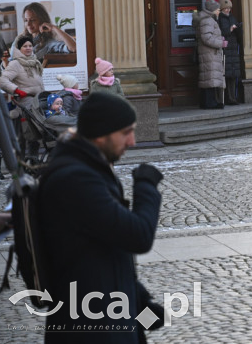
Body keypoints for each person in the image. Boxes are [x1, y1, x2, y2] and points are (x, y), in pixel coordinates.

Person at [38, 92, 164, 340]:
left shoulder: (87, 169)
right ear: (100, 134)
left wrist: (141, 306)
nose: (132, 142)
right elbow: (137, 236)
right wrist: (146, 186)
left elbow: (106, 251)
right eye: (126, 132)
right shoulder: (75, 179)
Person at [0, 35, 45, 157]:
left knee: (35, 135)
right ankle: (20, 166)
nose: (28, 48)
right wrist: (17, 90)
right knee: (21, 138)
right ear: (19, 49)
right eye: (25, 46)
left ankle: (33, 160)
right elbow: (2, 81)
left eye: (30, 46)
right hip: (23, 106)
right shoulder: (15, 64)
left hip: (36, 104)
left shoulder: (35, 62)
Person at [194, 0, 226, 109]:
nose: (219, 12)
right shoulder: (208, 21)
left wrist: (219, 39)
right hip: (210, 54)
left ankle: (208, 102)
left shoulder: (207, 19)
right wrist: (220, 43)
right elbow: (206, 38)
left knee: (208, 78)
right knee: (210, 78)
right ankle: (210, 103)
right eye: (217, 10)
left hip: (208, 53)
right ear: (212, 10)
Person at [218, 0, 242, 105]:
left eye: (229, 8)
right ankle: (228, 98)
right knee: (227, 75)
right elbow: (221, 33)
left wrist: (238, 28)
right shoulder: (220, 19)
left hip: (233, 48)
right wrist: (230, 29)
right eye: (225, 8)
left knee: (233, 74)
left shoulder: (232, 17)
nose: (227, 10)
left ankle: (233, 97)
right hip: (226, 49)